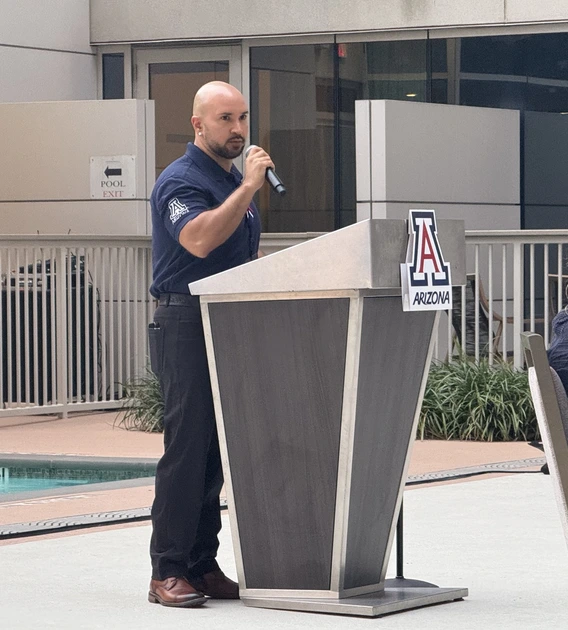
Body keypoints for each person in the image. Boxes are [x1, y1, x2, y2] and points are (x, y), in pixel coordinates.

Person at [147, 81, 274, 608]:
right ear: (198, 124)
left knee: (215, 453)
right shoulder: (182, 181)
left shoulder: (227, 182)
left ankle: (201, 564)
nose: (238, 129)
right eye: (225, 118)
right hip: (186, 323)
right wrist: (247, 188)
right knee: (187, 449)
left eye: (242, 117)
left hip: (227, 322)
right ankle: (168, 570)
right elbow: (197, 239)